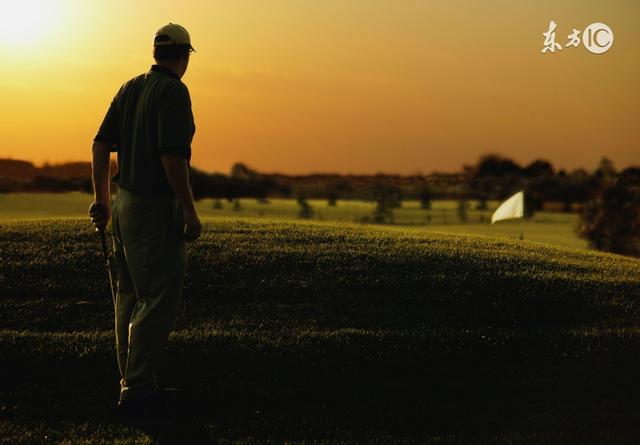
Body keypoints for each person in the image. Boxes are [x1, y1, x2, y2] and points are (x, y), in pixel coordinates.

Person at [89, 23, 201, 421]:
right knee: (156, 299)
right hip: (154, 208)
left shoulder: (130, 86)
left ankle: (137, 384)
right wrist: (188, 208)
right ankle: (137, 393)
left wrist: (103, 199)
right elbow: (173, 157)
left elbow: (100, 143)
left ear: (156, 53)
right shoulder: (174, 92)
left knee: (129, 296)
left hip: (124, 204)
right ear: (185, 55)